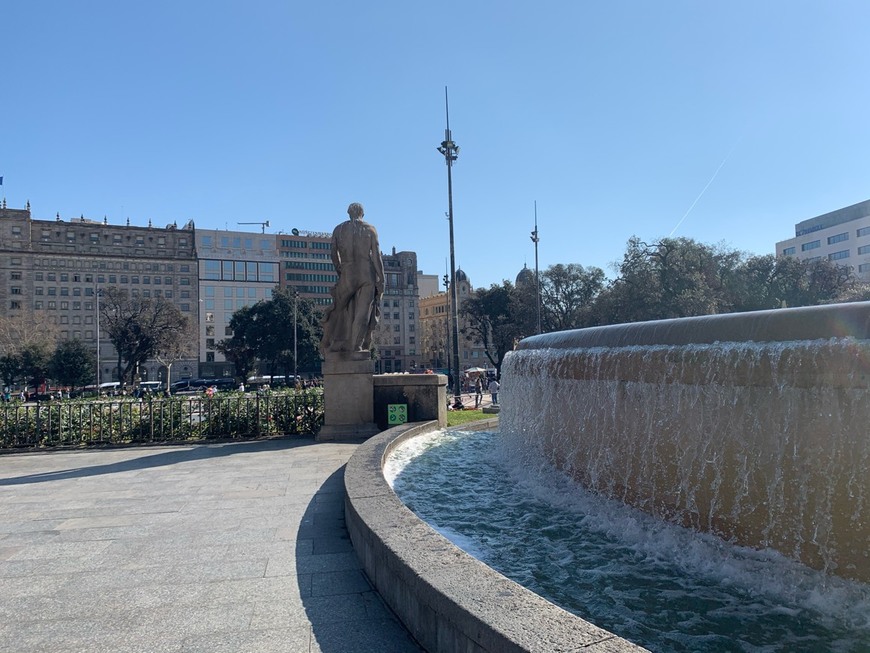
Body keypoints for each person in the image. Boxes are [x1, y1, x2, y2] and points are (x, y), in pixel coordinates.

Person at [320, 203, 385, 356]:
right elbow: (376, 256)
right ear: (363, 213)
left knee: (337, 310)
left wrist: (340, 270)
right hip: (366, 273)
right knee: (362, 314)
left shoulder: (339, 229)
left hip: (348, 273)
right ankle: (356, 347)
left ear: (349, 213)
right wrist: (381, 279)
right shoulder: (370, 229)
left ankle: (328, 342)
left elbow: (333, 255)